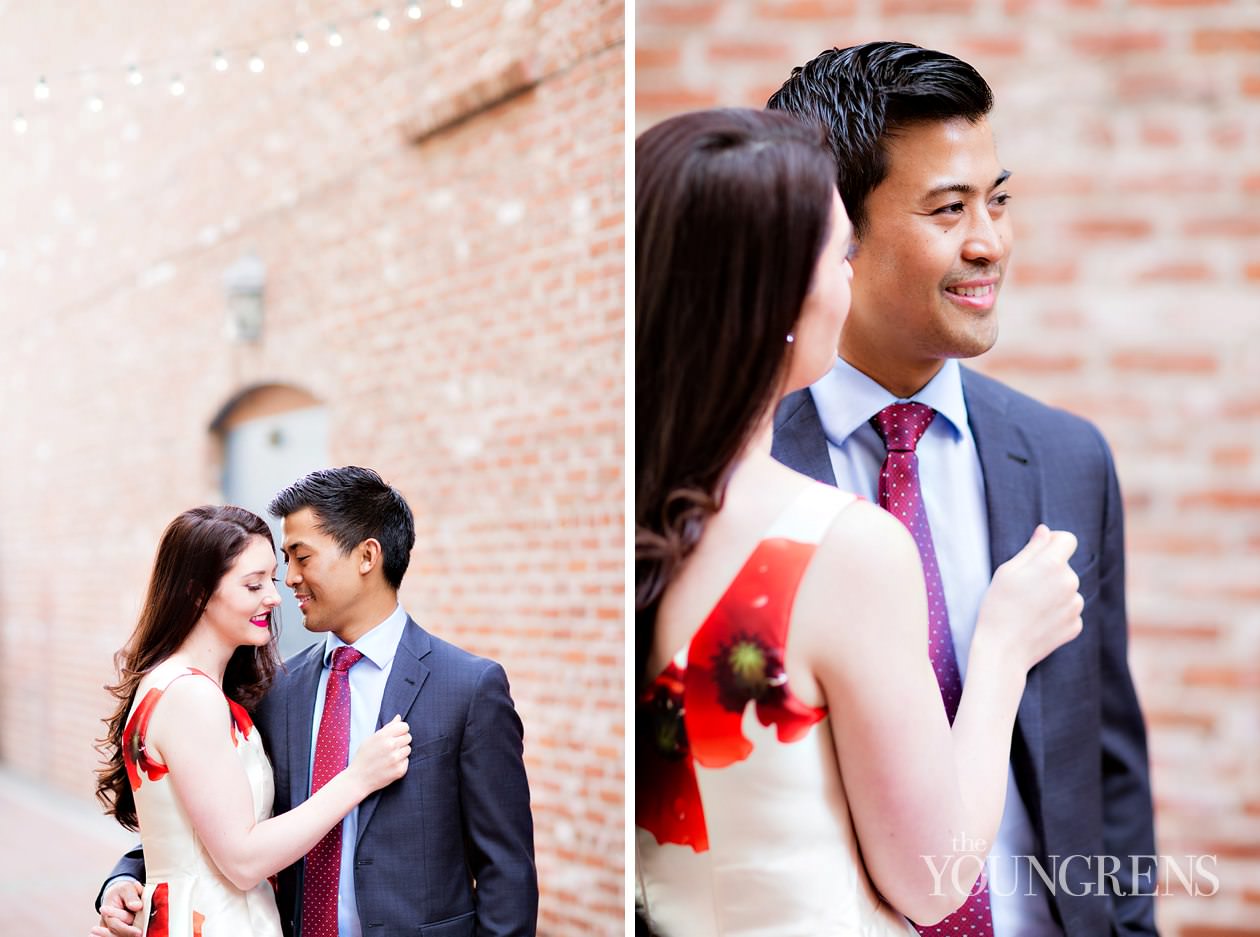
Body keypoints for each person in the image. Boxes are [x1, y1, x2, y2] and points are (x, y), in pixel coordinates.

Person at [636, 107, 1084, 935]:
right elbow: (935, 880)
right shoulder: (838, 546)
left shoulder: (640, 524)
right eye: (840, 251)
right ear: (776, 296)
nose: (850, 276)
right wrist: (1003, 648)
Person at [765, 42, 1157, 935]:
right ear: (835, 230)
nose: (989, 241)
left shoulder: (1067, 457)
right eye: (949, 208)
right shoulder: (732, 477)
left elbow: (1106, 761)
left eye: (998, 199)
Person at [96, 467, 539, 937]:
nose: (288, 581)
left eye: (301, 558)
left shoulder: (468, 688)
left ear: (367, 556)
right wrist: (126, 877)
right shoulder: (275, 688)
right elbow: (212, 817)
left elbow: (506, 870)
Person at [92, 504, 412, 937]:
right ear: (197, 593)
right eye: (253, 585)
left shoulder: (192, 688)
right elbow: (241, 860)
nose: (275, 596)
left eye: (272, 580)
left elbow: (189, 828)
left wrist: (130, 884)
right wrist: (357, 779)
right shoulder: (190, 696)